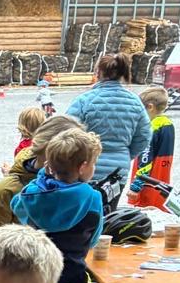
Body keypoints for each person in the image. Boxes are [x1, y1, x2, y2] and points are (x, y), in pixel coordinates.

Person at [11, 128, 106, 283]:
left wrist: (42, 177)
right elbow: (93, 239)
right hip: (70, 272)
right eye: (93, 163)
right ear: (83, 167)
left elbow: (16, 206)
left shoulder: (33, 193)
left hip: (34, 272)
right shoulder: (92, 198)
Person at [65, 54, 151, 186]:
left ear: (98, 72)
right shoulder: (135, 102)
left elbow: (67, 132)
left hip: (85, 166)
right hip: (119, 169)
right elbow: (144, 136)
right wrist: (125, 155)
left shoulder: (84, 100)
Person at [128, 86, 176, 209]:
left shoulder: (152, 127)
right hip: (161, 184)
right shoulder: (167, 123)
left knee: (145, 214)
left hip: (147, 186)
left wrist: (136, 187)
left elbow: (145, 159)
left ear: (150, 107)